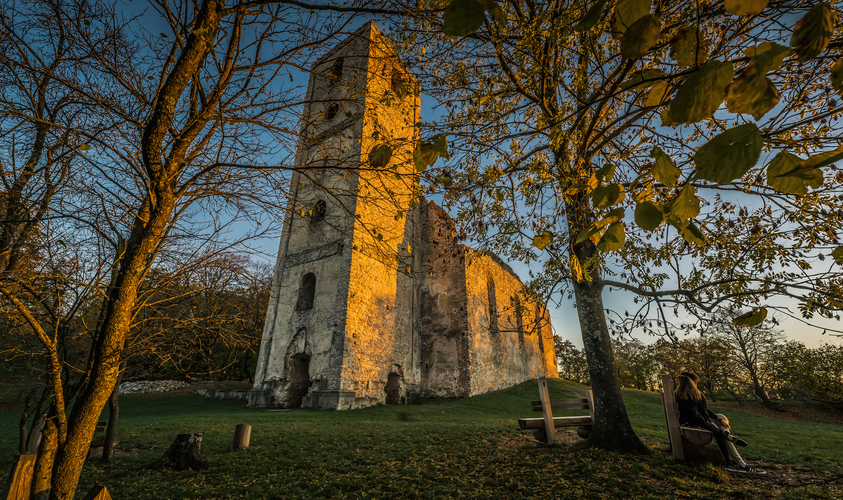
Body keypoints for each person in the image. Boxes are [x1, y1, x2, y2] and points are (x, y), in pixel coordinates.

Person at [674, 372, 765, 475]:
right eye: (695, 382)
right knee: (720, 435)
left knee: (721, 417)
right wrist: (711, 424)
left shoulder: (678, 394)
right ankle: (729, 462)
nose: (696, 384)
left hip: (689, 422)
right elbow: (697, 415)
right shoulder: (693, 394)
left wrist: (716, 419)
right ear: (691, 382)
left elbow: (702, 411)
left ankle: (726, 432)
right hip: (696, 423)